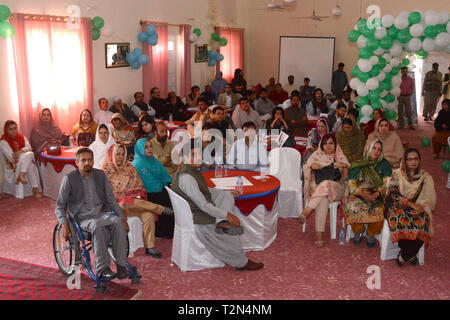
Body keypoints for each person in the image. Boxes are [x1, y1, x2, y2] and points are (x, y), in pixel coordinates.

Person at [171, 139, 264, 271]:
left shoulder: (189, 169)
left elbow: (206, 191)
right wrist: (228, 215)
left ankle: (222, 222)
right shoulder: (187, 178)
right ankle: (241, 262)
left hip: (197, 209)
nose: (198, 158)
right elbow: (203, 205)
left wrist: (226, 191)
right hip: (198, 218)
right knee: (230, 234)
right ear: (184, 157)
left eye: (199, 154)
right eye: (193, 155)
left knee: (226, 195)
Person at [55, 148, 129, 279]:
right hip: (82, 219)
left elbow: (111, 199)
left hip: (101, 214)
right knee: (97, 225)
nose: (87, 163)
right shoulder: (69, 179)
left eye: (90, 160)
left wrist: (122, 218)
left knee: (117, 222)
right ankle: (102, 268)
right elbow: (60, 205)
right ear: (77, 162)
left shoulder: (100, 175)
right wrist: (64, 224)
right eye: (83, 160)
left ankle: (121, 265)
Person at [102, 144, 173, 259]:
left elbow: (139, 185)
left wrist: (131, 192)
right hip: (117, 207)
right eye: (117, 154)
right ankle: (161, 209)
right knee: (125, 201)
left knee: (148, 215)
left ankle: (150, 247)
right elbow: (106, 194)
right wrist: (123, 194)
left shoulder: (129, 167)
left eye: (122, 154)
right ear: (111, 155)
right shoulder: (106, 171)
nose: (120, 157)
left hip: (133, 203)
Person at [385, 148, 436, 266]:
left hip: (419, 207)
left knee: (423, 222)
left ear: (419, 160)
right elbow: (393, 194)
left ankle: (404, 255)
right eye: (410, 159)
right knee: (399, 220)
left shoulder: (425, 177)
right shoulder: (398, 174)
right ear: (405, 161)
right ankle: (410, 254)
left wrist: (422, 208)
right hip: (397, 206)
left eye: (416, 159)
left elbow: (430, 199)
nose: (413, 162)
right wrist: (410, 204)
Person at [299, 133, 350, 247]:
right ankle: (319, 234)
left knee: (326, 184)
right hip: (319, 190)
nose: (327, 146)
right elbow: (306, 168)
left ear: (335, 144)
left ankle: (308, 210)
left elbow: (346, 178)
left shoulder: (339, 156)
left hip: (337, 189)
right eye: (325, 143)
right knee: (323, 198)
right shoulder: (316, 155)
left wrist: (343, 167)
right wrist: (312, 167)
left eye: (331, 143)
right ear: (321, 145)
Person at [344, 140, 392, 248]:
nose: (376, 151)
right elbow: (352, 185)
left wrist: (377, 193)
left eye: (379, 149)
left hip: (377, 193)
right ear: (369, 149)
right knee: (351, 206)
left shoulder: (384, 165)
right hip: (359, 193)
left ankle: (371, 233)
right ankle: (359, 230)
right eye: (374, 148)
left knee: (378, 209)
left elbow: (386, 184)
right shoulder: (358, 164)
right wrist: (360, 191)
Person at [132, 138, 174, 238]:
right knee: (166, 205)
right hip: (146, 195)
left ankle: (168, 231)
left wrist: (167, 186)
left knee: (172, 201)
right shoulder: (137, 164)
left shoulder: (153, 161)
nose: (149, 149)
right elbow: (141, 184)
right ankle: (161, 232)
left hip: (160, 189)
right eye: (146, 147)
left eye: (150, 146)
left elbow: (164, 175)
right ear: (140, 149)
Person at [0, 120, 41, 199]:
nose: (14, 131)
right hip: (13, 164)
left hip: (23, 162)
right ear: (6, 130)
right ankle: (35, 190)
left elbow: (30, 148)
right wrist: (24, 152)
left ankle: (22, 175)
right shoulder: (3, 142)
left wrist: (20, 151)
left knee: (30, 161)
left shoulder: (21, 137)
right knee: (30, 156)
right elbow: (12, 157)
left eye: (15, 128)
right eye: (10, 129)